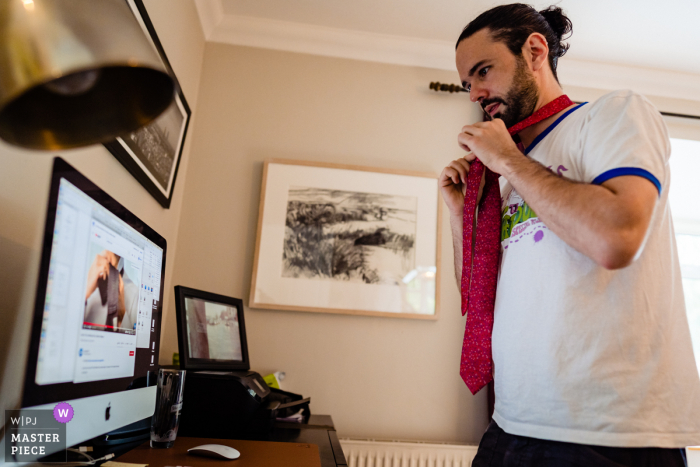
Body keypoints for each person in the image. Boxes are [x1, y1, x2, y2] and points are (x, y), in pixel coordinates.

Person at [440, 4, 700, 466]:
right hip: (509, 426)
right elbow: (480, 300)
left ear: (534, 51)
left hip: (606, 435)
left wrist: (509, 162)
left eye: (483, 71)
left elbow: (616, 237)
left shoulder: (614, 115)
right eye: (467, 84)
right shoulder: (505, 176)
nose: (476, 92)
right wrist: (464, 217)